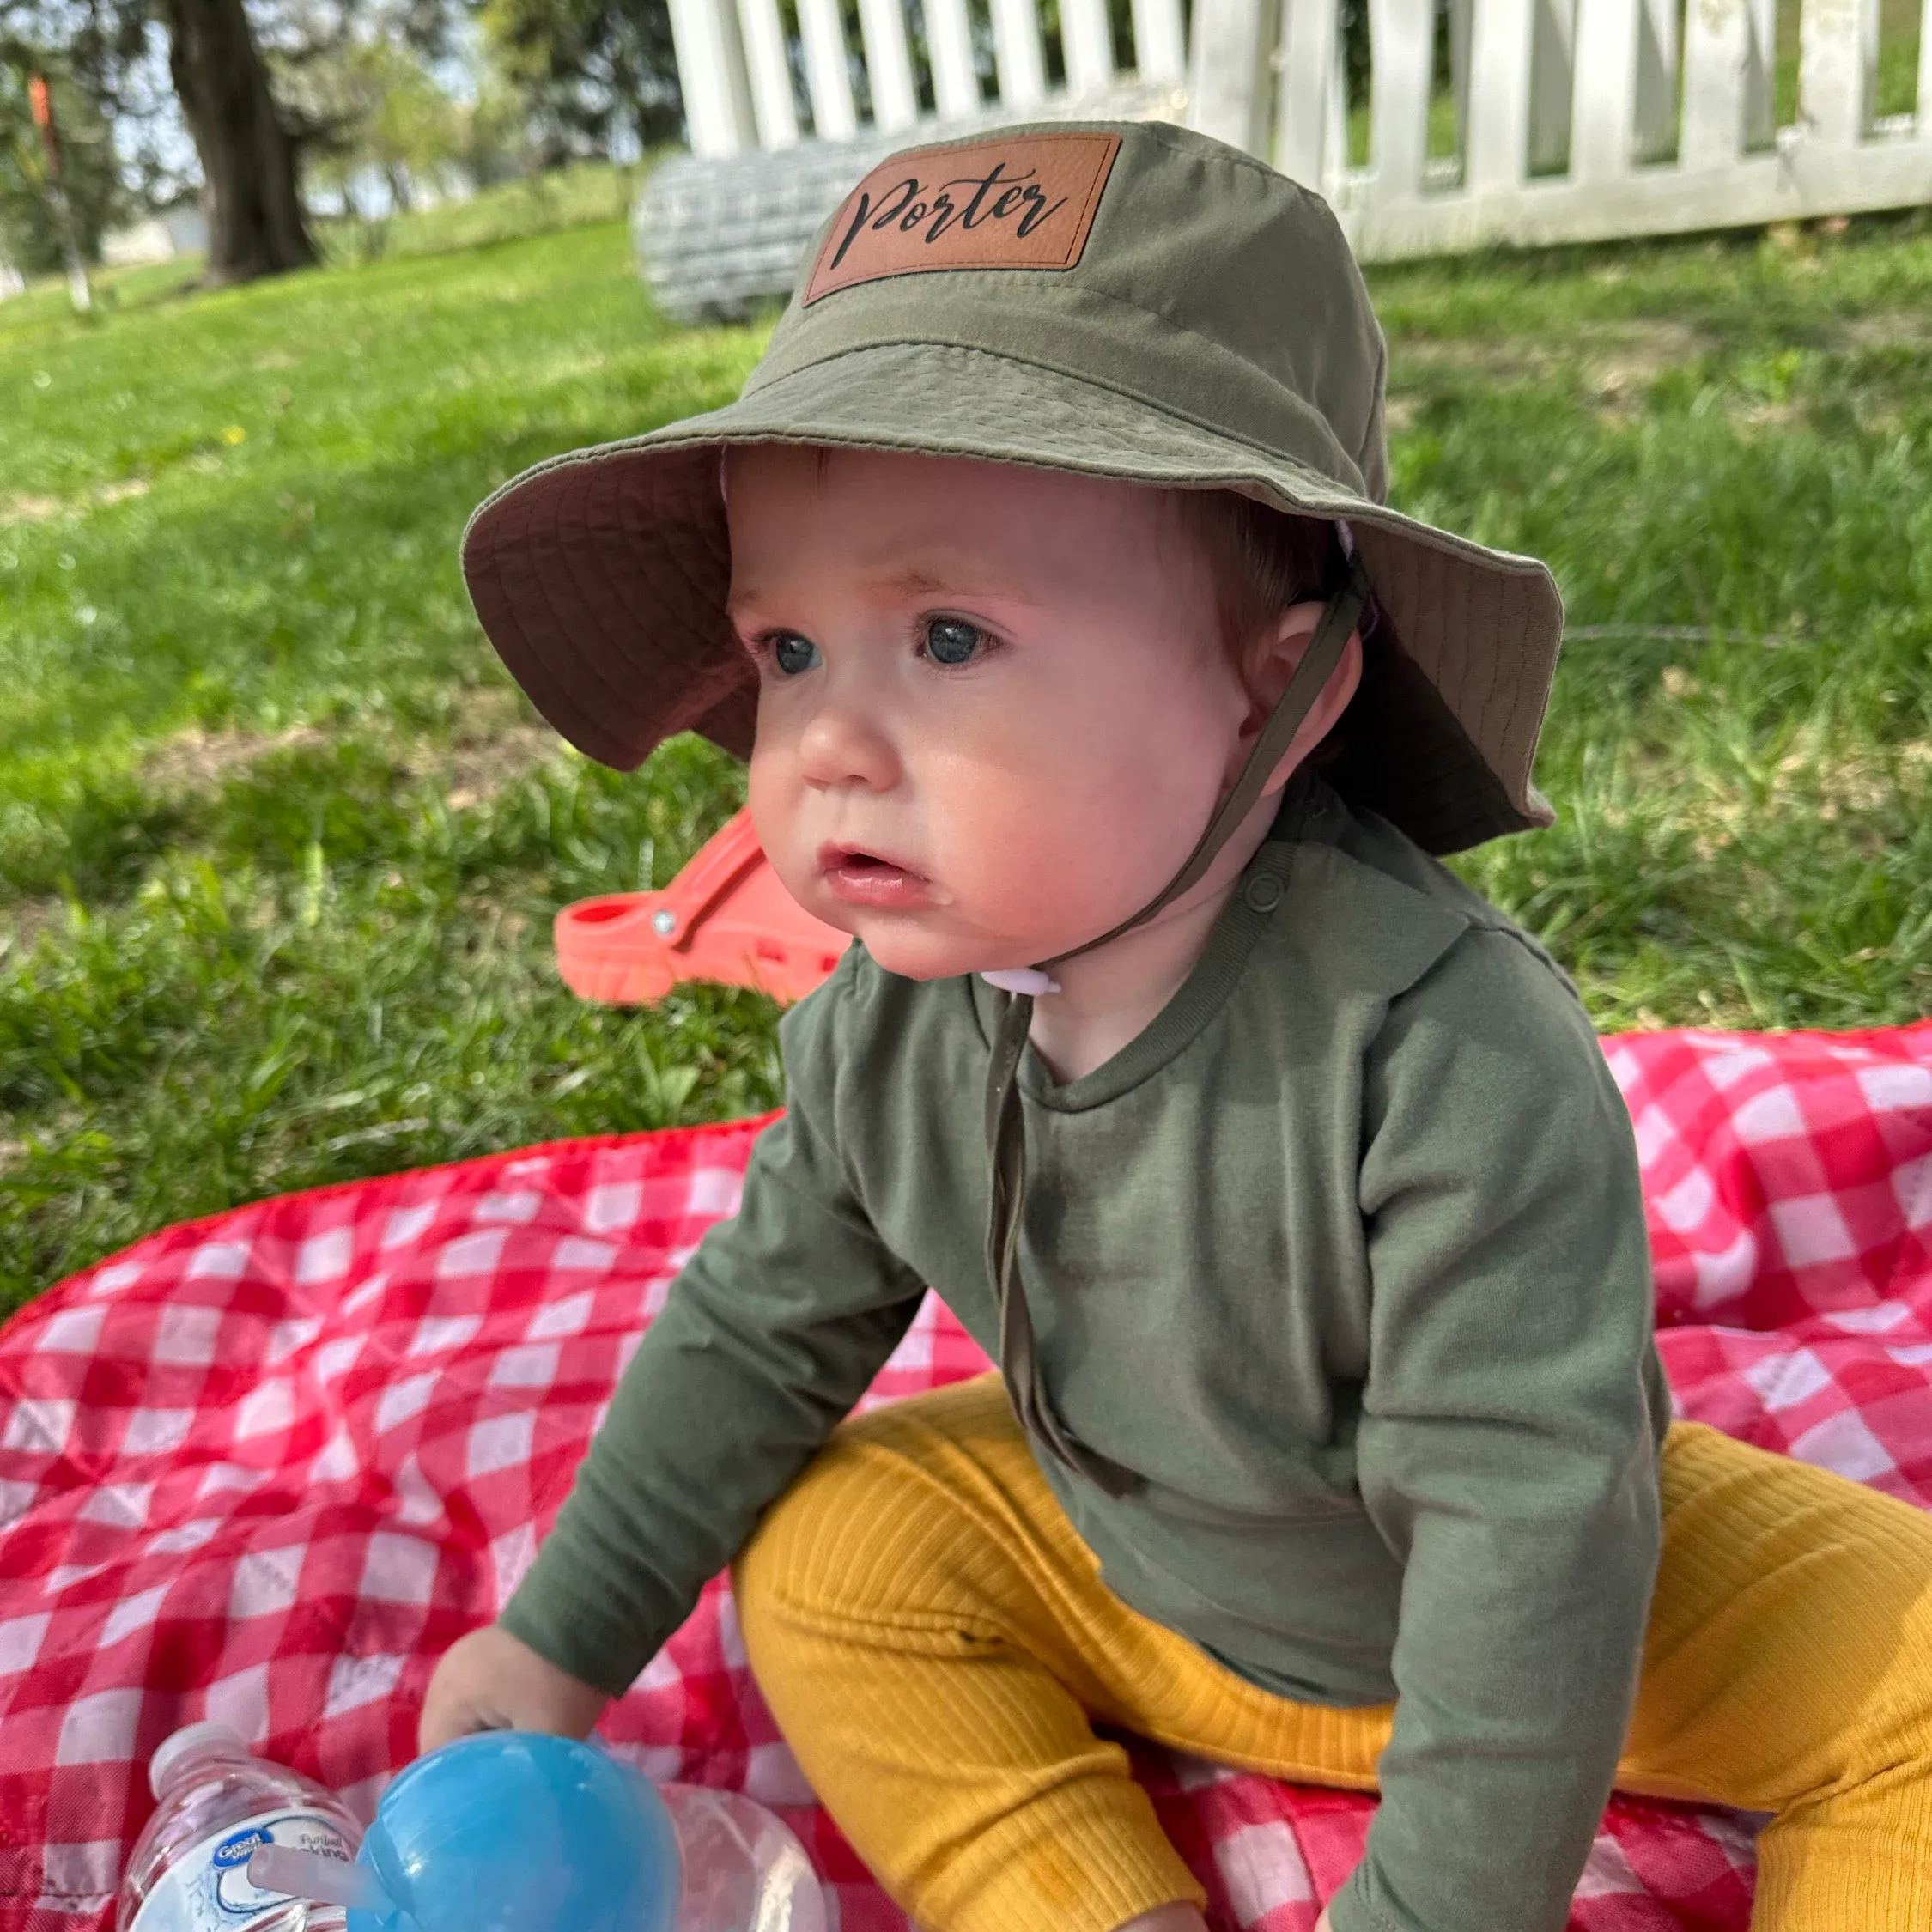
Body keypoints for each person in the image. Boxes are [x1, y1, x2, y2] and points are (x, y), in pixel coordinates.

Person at [419, 121, 1932, 1932]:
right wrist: (558, 1635)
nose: (824, 744)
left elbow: (1536, 1539)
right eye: (788, 653)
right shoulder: (881, 1030)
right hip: (1144, 1586)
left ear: (1274, 687)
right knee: (827, 1549)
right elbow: (760, 1327)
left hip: (1545, 1632)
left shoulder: (1435, 1058)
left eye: (952, 637)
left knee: (1917, 1695)